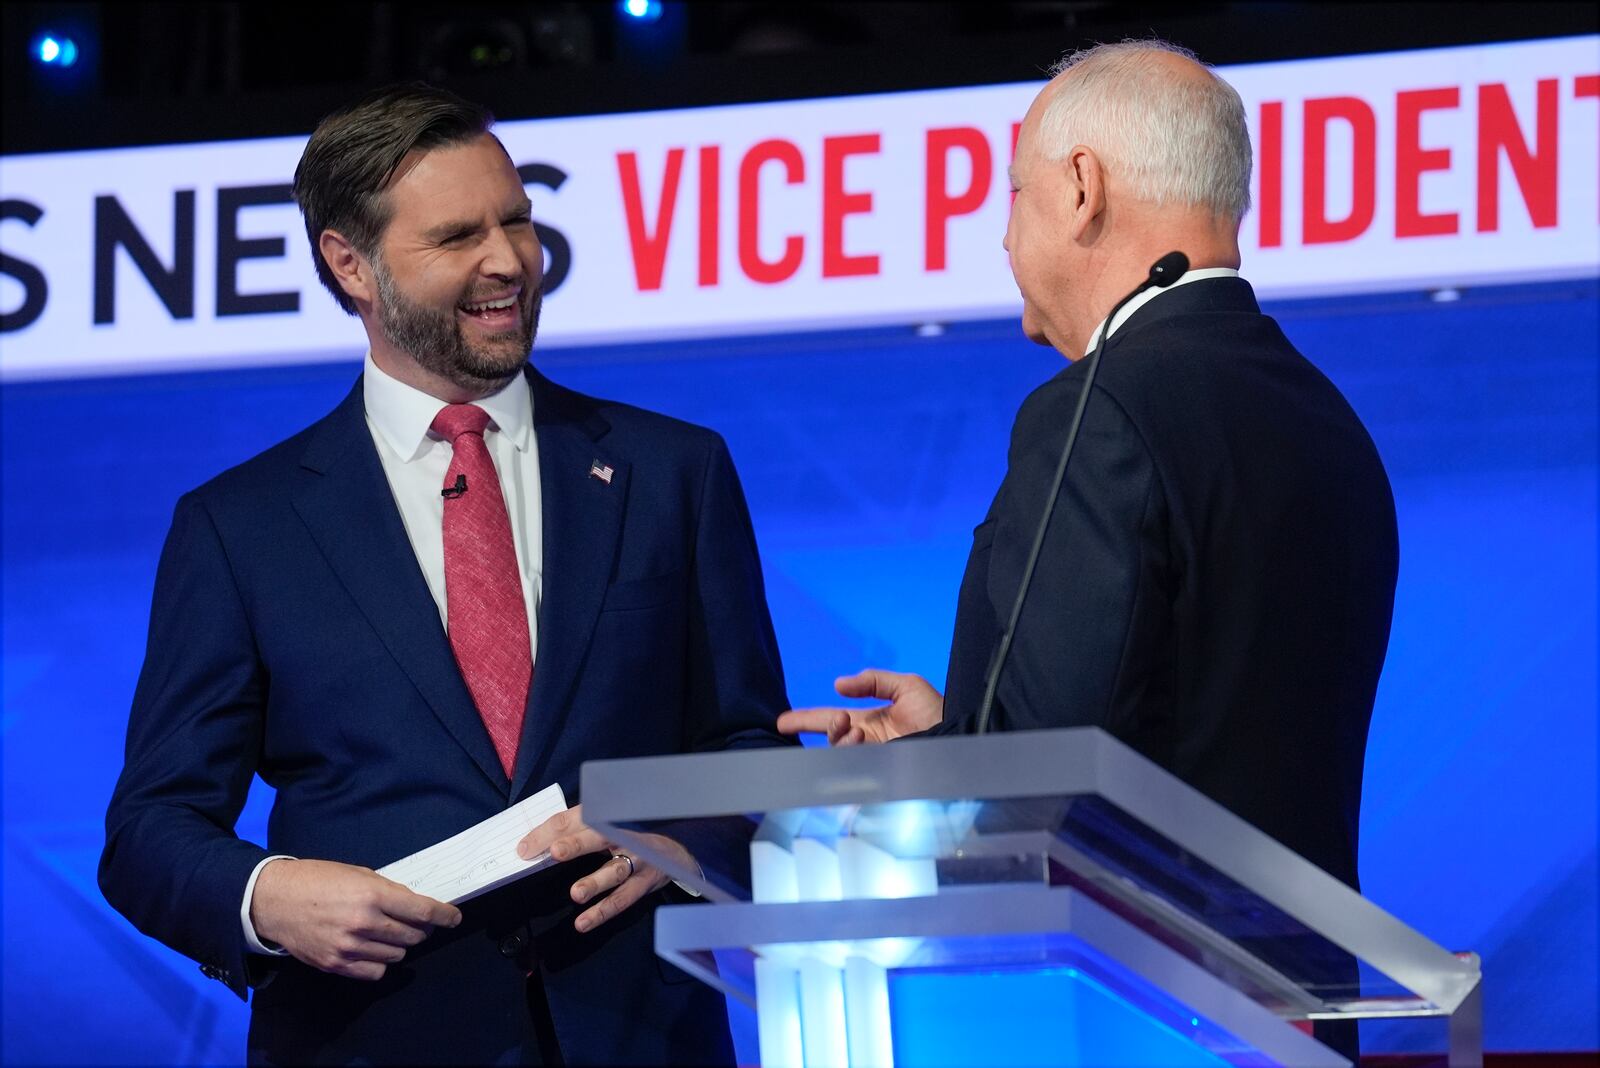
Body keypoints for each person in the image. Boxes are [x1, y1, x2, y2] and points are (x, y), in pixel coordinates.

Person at [100, 83, 790, 1066]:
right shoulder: (239, 526)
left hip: (640, 1031)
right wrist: (267, 895)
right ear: (353, 266)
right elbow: (150, 829)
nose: (508, 261)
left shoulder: (672, 472)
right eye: (459, 236)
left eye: (517, 221)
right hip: (370, 1034)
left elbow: (746, 742)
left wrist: (678, 828)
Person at [778, 40, 1398, 895]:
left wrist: (911, 776)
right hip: (1297, 999)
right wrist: (966, 730)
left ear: (1080, 188)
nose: (1003, 236)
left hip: (1129, 1005)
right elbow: (1182, 722)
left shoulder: (1098, 408)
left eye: (1015, 195)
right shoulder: (1329, 419)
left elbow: (1045, 781)